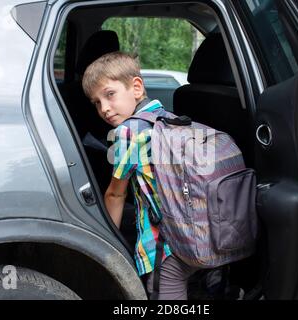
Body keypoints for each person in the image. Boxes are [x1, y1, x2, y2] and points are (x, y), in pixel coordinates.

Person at [82, 51, 199, 299]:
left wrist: (108, 248)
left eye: (109, 94)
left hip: (165, 248)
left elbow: (115, 194)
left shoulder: (127, 132)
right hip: (201, 235)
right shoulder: (171, 119)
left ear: (136, 87)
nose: (104, 108)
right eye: (96, 102)